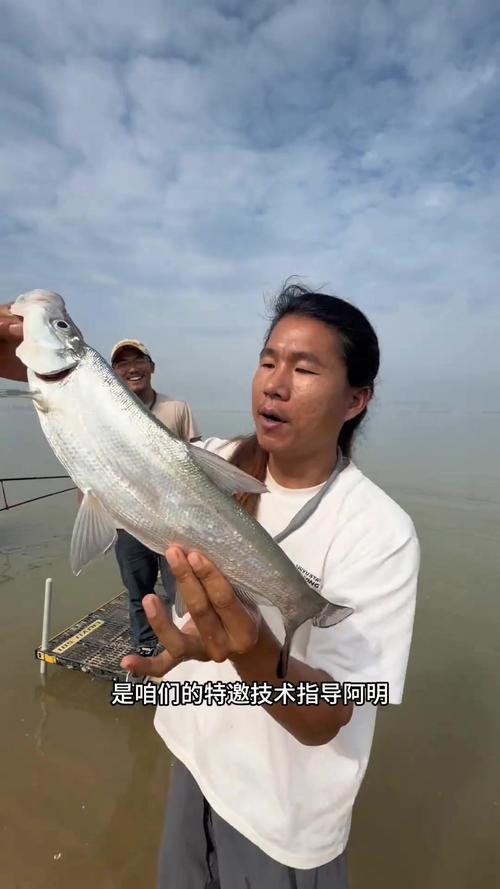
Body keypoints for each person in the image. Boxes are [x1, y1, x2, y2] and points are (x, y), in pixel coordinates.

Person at [0, 284, 419, 889]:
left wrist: (250, 652)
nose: (274, 384)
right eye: (268, 360)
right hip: (194, 761)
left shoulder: (381, 531)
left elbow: (330, 716)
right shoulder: (215, 460)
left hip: (281, 817)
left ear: (356, 400)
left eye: (304, 369)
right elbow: (70, 395)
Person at [110, 338, 201, 656]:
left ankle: (186, 646)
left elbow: (198, 458)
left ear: (151, 367)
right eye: (122, 363)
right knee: (138, 591)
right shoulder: (108, 414)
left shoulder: (176, 409)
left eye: (138, 360)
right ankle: (146, 645)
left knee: (183, 587)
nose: (132, 368)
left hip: (176, 521)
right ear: (113, 373)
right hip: (128, 521)